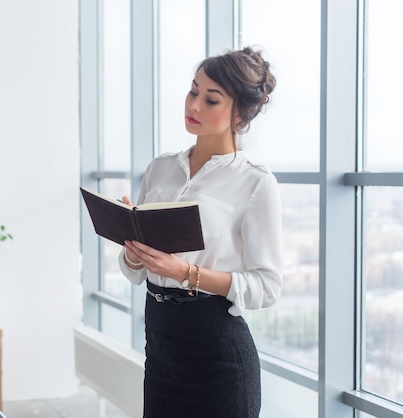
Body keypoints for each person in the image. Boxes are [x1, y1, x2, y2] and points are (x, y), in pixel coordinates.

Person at [119, 46, 283, 418]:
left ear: (239, 112)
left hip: (219, 359)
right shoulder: (159, 169)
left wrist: (184, 273)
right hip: (160, 351)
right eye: (193, 91)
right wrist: (132, 251)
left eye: (211, 100)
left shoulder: (256, 182)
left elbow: (267, 286)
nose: (194, 105)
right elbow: (135, 272)